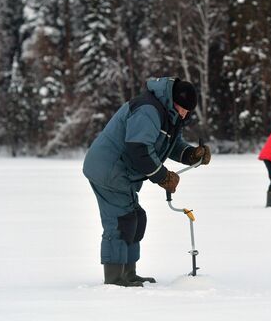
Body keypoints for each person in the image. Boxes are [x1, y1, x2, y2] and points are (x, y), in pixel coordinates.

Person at [82, 77, 211, 287]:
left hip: (121, 172)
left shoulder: (167, 113)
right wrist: (162, 176)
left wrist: (191, 154)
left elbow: (171, 144)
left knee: (136, 218)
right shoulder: (148, 110)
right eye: (183, 109)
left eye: (188, 111)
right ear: (173, 100)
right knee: (121, 221)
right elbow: (139, 149)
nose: (185, 114)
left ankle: (129, 274)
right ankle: (115, 279)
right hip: (109, 169)